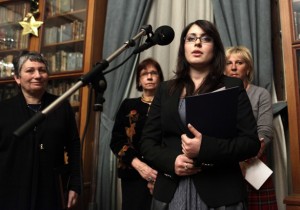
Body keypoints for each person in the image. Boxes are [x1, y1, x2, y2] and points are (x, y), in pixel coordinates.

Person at [140, 20, 261, 210]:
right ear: (183, 47)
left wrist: (205, 147)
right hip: (171, 192)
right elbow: (147, 143)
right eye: (191, 38)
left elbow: (250, 143)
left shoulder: (232, 86)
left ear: (215, 48)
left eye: (205, 38)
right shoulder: (165, 90)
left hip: (221, 193)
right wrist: (172, 161)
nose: (197, 43)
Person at [0, 51, 81, 210]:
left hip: (50, 190)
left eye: (42, 70)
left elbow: (74, 146)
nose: (37, 75)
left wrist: (75, 185)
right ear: (17, 78)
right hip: (9, 190)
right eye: (30, 70)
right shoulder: (3, 110)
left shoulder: (61, 106)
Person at [225, 46, 278, 209]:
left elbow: (265, 132)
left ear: (248, 68)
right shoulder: (218, 94)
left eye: (239, 62)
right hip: (225, 162)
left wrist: (245, 160)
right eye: (228, 63)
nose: (233, 67)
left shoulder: (261, 94)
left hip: (254, 162)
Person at [110, 58, 164, 210]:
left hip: (164, 174)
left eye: (154, 73)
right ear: (139, 81)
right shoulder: (128, 105)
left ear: (160, 78)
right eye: (144, 74)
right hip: (133, 173)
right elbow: (116, 141)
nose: (149, 77)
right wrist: (140, 166)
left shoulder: (169, 105)